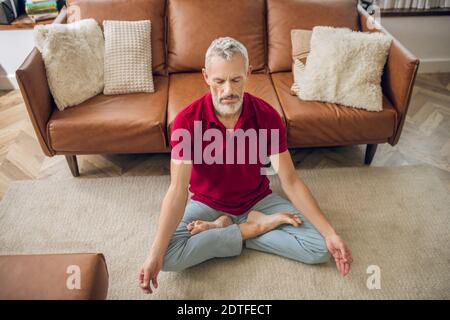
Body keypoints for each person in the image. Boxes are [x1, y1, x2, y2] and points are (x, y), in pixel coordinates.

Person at [139, 37, 352, 294]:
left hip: (259, 201)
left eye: (236, 79)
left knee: (319, 248)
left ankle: (232, 228)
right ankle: (253, 228)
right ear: (206, 77)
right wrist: (154, 253)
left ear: (248, 74)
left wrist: (330, 233)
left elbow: (290, 180)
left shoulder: (268, 116)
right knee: (168, 257)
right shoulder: (186, 121)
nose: (228, 90)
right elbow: (177, 191)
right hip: (207, 205)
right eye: (219, 81)